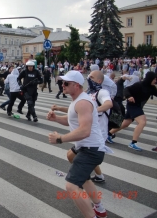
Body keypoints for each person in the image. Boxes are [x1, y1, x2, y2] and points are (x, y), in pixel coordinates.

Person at [47, 70, 107, 218]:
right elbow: (70, 121)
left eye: (66, 83)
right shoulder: (77, 100)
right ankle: (99, 208)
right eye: (62, 82)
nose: (63, 85)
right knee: (84, 178)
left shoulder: (82, 102)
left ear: (77, 85)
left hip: (91, 149)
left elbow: (85, 130)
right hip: (87, 147)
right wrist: (56, 119)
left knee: (71, 185)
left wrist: (60, 138)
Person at [107, 72, 157, 150]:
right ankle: (133, 143)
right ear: (150, 78)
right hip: (132, 105)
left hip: (138, 107)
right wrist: (129, 96)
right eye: (154, 79)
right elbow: (127, 89)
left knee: (125, 124)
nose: (155, 80)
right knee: (142, 122)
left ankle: (108, 134)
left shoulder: (152, 87)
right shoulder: (139, 85)